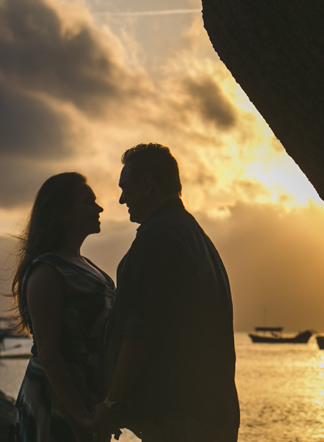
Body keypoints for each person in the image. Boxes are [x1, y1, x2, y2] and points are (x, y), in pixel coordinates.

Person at [93, 143, 239, 442]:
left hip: (179, 419)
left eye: (126, 187)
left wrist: (111, 403)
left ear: (147, 185)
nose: (121, 199)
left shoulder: (156, 239)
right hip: (212, 414)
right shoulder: (195, 236)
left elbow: (140, 330)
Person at [11, 172, 114, 442]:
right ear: (63, 213)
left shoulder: (90, 267)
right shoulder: (47, 270)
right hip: (56, 400)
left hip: (88, 396)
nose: (99, 208)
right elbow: (48, 353)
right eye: (88, 202)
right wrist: (79, 414)